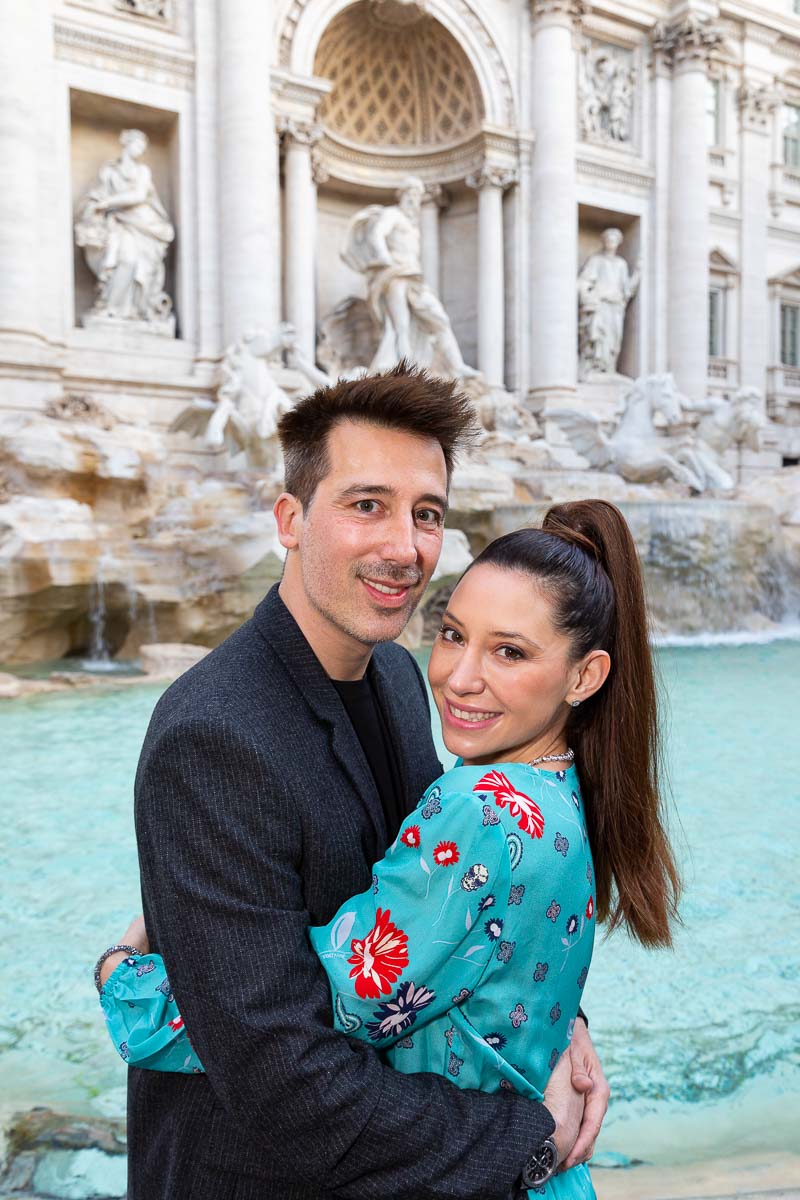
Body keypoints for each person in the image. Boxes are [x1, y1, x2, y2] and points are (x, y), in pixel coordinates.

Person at [94, 363, 612, 1199]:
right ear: (290, 520)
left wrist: (557, 1025)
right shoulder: (212, 735)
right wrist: (530, 1136)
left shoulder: (406, 680)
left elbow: (444, 913)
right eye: (366, 504)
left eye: (427, 514)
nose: (404, 546)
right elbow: (284, 1081)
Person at [342, 177, 479, 378]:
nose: (414, 199)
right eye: (411, 194)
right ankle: (407, 371)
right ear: (403, 195)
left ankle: (456, 365)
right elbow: (376, 234)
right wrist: (385, 259)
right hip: (395, 275)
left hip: (413, 278)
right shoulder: (393, 214)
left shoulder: (412, 225)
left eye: (417, 195)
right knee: (401, 326)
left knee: (439, 318)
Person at [577, 228, 640, 377]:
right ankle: (594, 366)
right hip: (600, 304)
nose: (611, 243)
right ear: (604, 242)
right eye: (608, 239)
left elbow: (627, 290)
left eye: (614, 240)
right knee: (597, 336)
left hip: (616, 306)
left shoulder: (621, 264)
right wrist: (588, 294)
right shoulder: (596, 260)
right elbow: (584, 281)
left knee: (613, 339)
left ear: (618, 243)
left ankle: (609, 368)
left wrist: (638, 272)